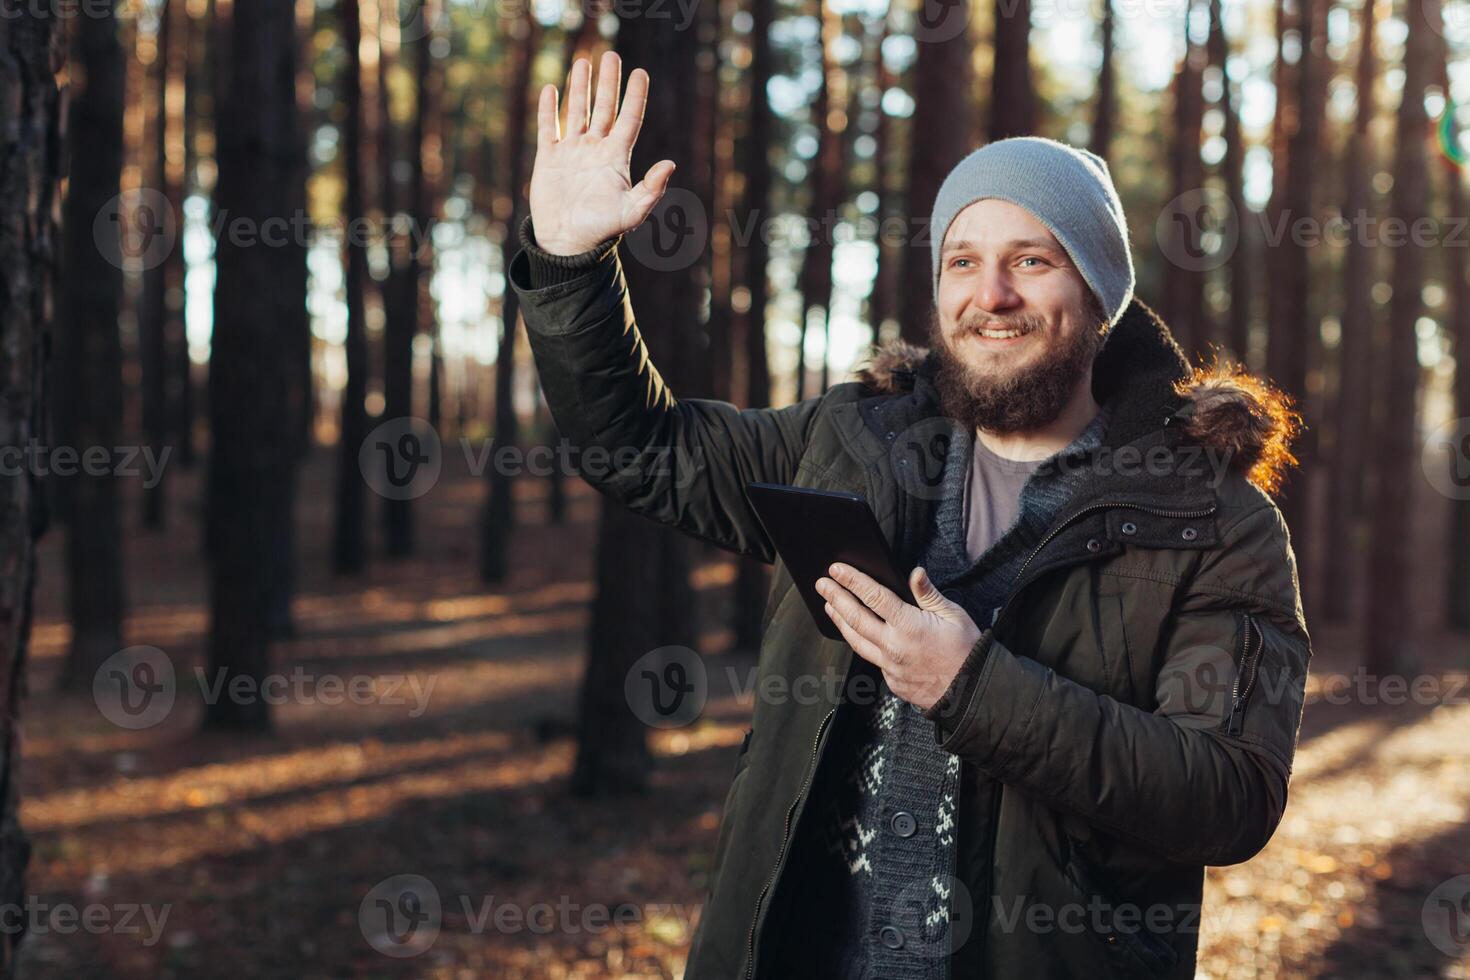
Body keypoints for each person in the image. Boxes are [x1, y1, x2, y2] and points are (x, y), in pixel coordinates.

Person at [510, 52, 1311, 980]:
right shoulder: (850, 440)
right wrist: (571, 267)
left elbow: (1229, 797)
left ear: (1096, 291)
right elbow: (643, 450)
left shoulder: (1211, 524)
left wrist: (971, 684)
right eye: (963, 261)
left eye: (1032, 260)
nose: (991, 294)